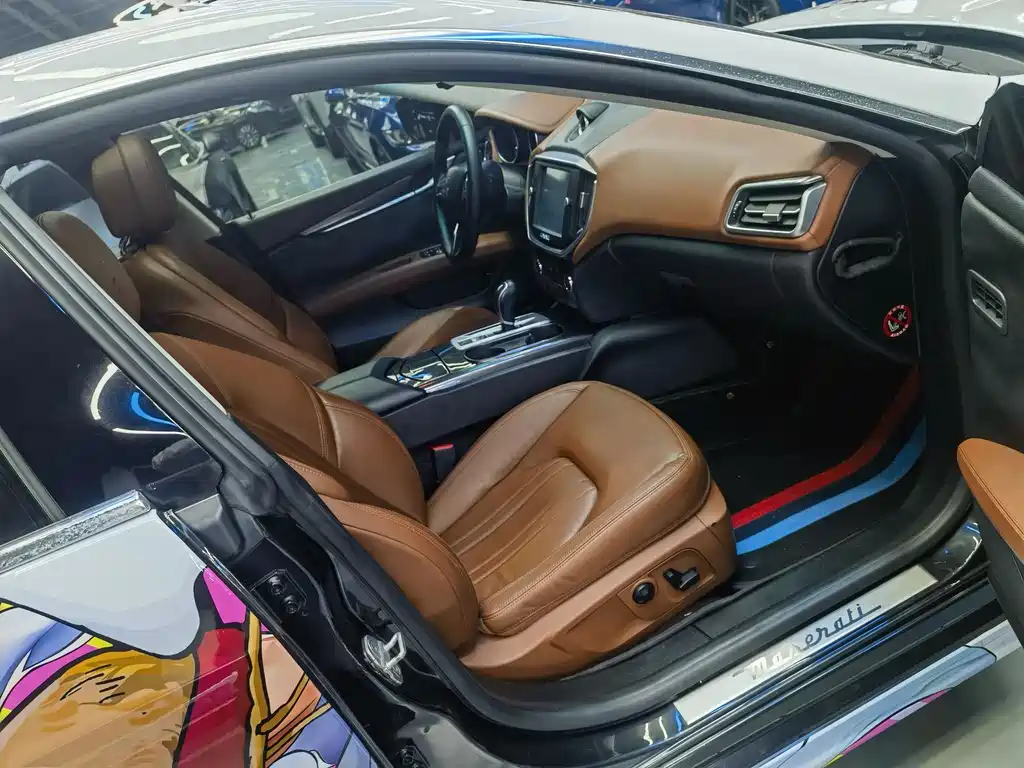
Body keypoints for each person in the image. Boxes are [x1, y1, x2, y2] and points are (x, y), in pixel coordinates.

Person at [201, 130, 256, 221]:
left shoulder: (218, 161)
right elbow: (236, 190)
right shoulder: (220, 160)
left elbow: (236, 190)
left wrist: (248, 215)